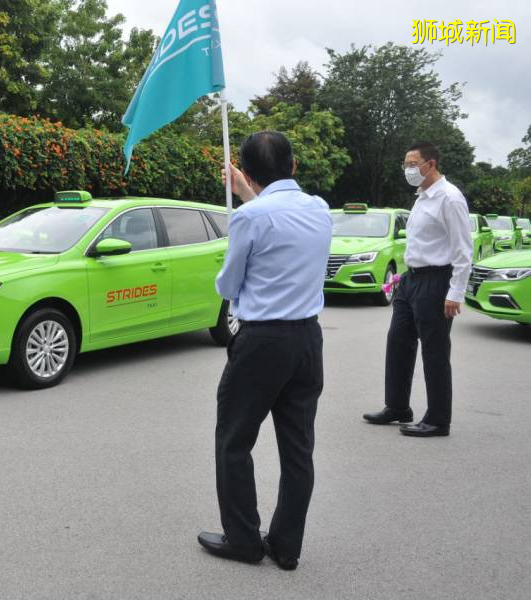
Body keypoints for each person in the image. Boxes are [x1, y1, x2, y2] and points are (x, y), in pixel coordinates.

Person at [198, 131, 332, 571]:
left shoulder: (249, 217)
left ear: (249, 172)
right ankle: (287, 546)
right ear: (294, 166)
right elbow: (277, 213)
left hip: (262, 341)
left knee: (234, 440)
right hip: (307, 340)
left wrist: (246, 195)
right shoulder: (319, 210)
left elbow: (229, 284)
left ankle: (243, 539)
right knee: (298, 451)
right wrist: (246, 188)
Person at [363, 142, 472, 437]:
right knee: (398, 342)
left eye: (413, 164)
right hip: (411, 280)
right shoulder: (423, 196)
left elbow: (464, 250)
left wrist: (455, 292)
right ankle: (397, 406)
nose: (408, 170)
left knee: (434, 351)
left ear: (431, 164)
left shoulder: (449, 198)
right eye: (406, 164)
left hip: (436, 281)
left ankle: (438, 419)